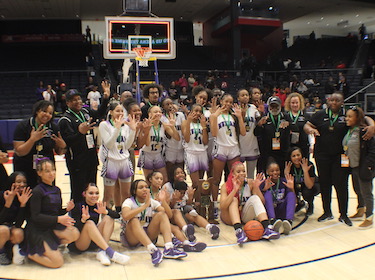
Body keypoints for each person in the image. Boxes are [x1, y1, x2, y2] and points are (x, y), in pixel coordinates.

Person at [303, 93, 371, 225]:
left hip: (340, 157)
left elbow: (364, 118)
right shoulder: (320, 114)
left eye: (337, 100)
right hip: (322, 156)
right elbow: (306, 125)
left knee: (341, 185)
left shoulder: (347, 114)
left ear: (342, 102)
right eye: (332, 100)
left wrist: (372, 126)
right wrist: (311, 130)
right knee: (325, 184)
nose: (334, 102)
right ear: (328, 101)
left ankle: (343, 214)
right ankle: (327, 212)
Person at [21, 158, 79, 268]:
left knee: (74, 233)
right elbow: (35, 217)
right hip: (37, 230)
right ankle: (29, 254)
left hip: (50, 226)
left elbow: (55, 212)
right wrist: (58, 219)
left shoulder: (56, 189)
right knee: (58, 263)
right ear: (39, 173)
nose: (51, 173)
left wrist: (66, 209)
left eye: (53, 170)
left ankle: (51, 247)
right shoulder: (37, 191)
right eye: (47, 171)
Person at [58, 81, 110, 203]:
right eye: (73, 100)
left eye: (79, 98)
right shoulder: (65, 120)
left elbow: (99, 114)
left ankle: (91, 213)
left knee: (91, 189)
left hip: (91, 158)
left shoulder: (85, 112)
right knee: (78, 190)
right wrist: (80, 132)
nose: (78, 101)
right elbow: (67, 143)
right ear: (68, 103)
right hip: (77, 161)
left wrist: (106, 98)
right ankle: (76, 216)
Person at [121, 179, 187, 266]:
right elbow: (125, 216)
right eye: (141, 188)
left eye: (146, 187)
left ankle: (169, 248)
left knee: (162, 215)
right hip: (132, 238)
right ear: (134, 191)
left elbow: (169, 215)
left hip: (149, 234)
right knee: (134, 220)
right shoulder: (129, 202)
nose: (145, 189)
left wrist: (163, 201)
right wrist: (144, 206)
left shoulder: (151, 201)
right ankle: (153, 250)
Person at [68, 183, 129, 265]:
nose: (94, 196)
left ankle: (102, 251)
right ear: (84, 194)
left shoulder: (98, 206)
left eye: (97, 193)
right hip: (80, 243)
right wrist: (83, 220)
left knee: (108, 217)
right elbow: (73, 230)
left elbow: (117, 215)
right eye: (91, 193)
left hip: (93, 241)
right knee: (89, 223)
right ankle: (111, 253)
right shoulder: (78, 206)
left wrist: (105, 211)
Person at [220, 162, 280, 244]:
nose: (242, 173)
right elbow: (222, 207)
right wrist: (234, 190)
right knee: (233, 200)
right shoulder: (225, 186)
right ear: (233, 174)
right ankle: (239, 231)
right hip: (229, 217)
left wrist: (256, 188)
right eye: (238, 172)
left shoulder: (250, 183)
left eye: (243, 171)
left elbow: (262, 202)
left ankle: (267, 228)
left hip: (244, 216)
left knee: (255, 198)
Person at [147, 171, 207, 251]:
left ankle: (187, 243)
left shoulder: (163, 193)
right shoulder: (146, 192)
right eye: (157, 178)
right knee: (169, 223)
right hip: (149, 221)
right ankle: (177, 241)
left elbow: (169, 214)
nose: (159, 180)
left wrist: (164, 202)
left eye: (161, 179)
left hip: (162, 219)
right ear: (150, 179)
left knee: (175, 225)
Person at [13, 100, 66, 188]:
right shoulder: (23, 126)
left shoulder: (53, 127)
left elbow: (59, 152)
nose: (47, 115)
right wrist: (32, 139)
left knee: (47, 197)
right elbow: (20, 152)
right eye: (44, 111)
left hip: (46, 170)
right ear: (37, 111)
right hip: (25, 167)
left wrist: (63, 146)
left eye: (50, 113)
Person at [210, 94, 246, 219]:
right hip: (220, 148)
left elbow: (243, 132)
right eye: (226, 101)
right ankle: (215, 205)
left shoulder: (234, 115)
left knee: (234, 178)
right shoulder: (215, 115)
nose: (228, 104)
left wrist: (240, 117)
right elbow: (214, 133)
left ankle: (235, 203)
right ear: (221, 101)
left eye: (231, 102)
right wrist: (214, 117)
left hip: (233, 148)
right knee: (216, 179)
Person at [98, 102, 137, 212]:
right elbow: (109, 144)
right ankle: (105, 218)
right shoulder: (104, 125)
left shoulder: (126, 126)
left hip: (124, 161)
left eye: (122, 111)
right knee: (108, 196)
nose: (120, 113)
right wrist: (117, 128)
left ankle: (124, 219)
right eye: (117, 111)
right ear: (111, 112)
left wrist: (133, 130)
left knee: (126, 194)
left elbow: (128, 146)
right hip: (111, 162)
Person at [163, 166, 220, 240]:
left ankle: (210, 228)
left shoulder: (185, 185)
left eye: (182, 173)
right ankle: (186, 230)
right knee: (177, 212)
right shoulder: (167, 187)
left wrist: (190, 197)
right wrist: (174, 200)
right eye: (177, 173)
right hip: (173, 215)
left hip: (184, 211)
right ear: (173, 176)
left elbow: (187, 204)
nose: (180, 175)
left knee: (192, 215)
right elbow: (167, 208)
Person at [344, 106, 375, 228]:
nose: (347, 118)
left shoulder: (365, 131)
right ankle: (361, 209)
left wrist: (368, 165)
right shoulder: (349, 130)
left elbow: (373, 150)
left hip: (363, 166)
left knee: (366, 192)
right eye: (346, 116)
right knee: (357, 190)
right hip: (353, 166)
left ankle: (369, 217)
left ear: (357, 118)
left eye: (350, 116)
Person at [137, 105, 180, 184]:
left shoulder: (164, 125)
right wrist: (148, 129)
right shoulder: (145, 125)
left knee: (164, 179)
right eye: (155, 112)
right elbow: (147, 143)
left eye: (160, 112)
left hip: (158, 154)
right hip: (147, 154)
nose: (158, 113)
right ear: (149, 114)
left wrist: (173, 127)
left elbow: (177, 138)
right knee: (149, 180)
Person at [0, 172, 32, 265]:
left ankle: (12, 249)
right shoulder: (3, 195)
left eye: (24, 182)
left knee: (19, 233)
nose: (22, 184)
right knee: (4, 230)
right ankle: (1, 252)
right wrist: (7, 204)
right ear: (12, 182)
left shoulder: (24, 197)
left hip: (10, 227)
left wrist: (23, 204)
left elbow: (18, 224)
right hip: (2, 229)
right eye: (18, 181)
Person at [254, 97, 290, 175]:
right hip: (268, 152)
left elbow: (295, 129)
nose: (274, 108)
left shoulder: (286, 117)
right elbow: (256, 133)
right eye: (272, 106)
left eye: (276, 106)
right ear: (269, 107)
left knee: (282, 173)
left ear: (280, 106)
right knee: (270, 174)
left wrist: (289, 124)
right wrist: (259, 125)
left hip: (283, 152)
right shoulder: (264, 118)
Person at [259, 161, 296, 235]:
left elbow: (294, 201)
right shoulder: (263, 183)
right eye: (272, 171)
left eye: (277, 170)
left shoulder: (284, 181)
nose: (275, 172)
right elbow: (260, 202)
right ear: (267, 172)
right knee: (267, 193)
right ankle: (272, 221)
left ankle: (289, 221)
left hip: (281, 209)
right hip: (269, 211)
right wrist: (264, 190)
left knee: (291, 194)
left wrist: (292, 189)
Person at [181, 104, 209, 190]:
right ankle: (194, 199)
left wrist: (204, 126)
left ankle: (198, 200)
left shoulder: (202, 124)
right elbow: (187, 139)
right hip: (191, 153)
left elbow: (205, 141)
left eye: (200, 111)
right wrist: (189, 122)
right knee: (195, 182)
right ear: (191, 111)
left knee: (201, 181)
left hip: (202, 152)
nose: (198, 113)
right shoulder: (185, 122)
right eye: (196, 111)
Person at [284, 147, 319, 216]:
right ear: (290, 158)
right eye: (293, 156)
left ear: (302, 155)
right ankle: (300, 203)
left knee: (307, 192)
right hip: (297, 185)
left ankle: (310, 205)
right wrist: (286, 174)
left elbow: (309, 185)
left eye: (298, 155)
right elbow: (290, 188)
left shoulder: (309, 164)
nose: (296, 158)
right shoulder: (289, 166)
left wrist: (305, 172)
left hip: (312, 186)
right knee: (287, 191)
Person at [237, 89, 260, 178]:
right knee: (239, 176)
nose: (245, 97)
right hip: (239, 146)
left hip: (252, 144)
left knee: (251, 176)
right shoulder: (235, 109)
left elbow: (259, 122)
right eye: (242, 95)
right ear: (238, 98)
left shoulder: (253, 108)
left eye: (246, 95)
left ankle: (250, 192)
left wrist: (261, 112)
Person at [161, 98, 186, 181]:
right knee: (170, 172)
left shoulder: (180, 115)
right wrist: (172, 124)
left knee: (180, 171)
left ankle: (180, 189)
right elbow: (168, 135)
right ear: (163, 107)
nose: (170, 106)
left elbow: (184, 131)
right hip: (169, 148)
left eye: (171, 103)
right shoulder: (162, 118)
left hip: (181, 147)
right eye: (167, 104)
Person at [284, 92, 310, 158]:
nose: (295, 105)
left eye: (296, 103)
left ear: (300, 103)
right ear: (289, 104)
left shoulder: (306, 116)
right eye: (293, 103)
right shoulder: (284, 116)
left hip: (303, 146)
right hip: (289, 146)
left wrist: (312, 144)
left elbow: (310, 132)